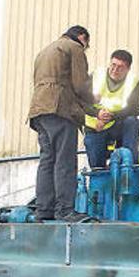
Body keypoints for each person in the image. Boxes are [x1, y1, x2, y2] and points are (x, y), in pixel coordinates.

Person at [27, 25, 93, 222]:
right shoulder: (74, 48)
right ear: (82, 37)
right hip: (60, 109)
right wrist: (95, 109)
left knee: (47, 161)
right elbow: (81, 85)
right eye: (87, 44)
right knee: (64, 161)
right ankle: (65, 210)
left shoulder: (44, 51)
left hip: (39, 111)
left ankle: (43, 210)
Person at [83, 49, 139, 169]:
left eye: (120, 67)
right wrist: (97, 114)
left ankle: (129, 167)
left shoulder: (133, 82)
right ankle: (98, 177)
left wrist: (110, 116)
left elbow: (134, 108)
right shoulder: (96, 76)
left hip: (118, 123)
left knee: (131, 122)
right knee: (96, 163)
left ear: (128, 69)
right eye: (113, 65)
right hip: (96, 125)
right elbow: (82, 102)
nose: (115, 70)